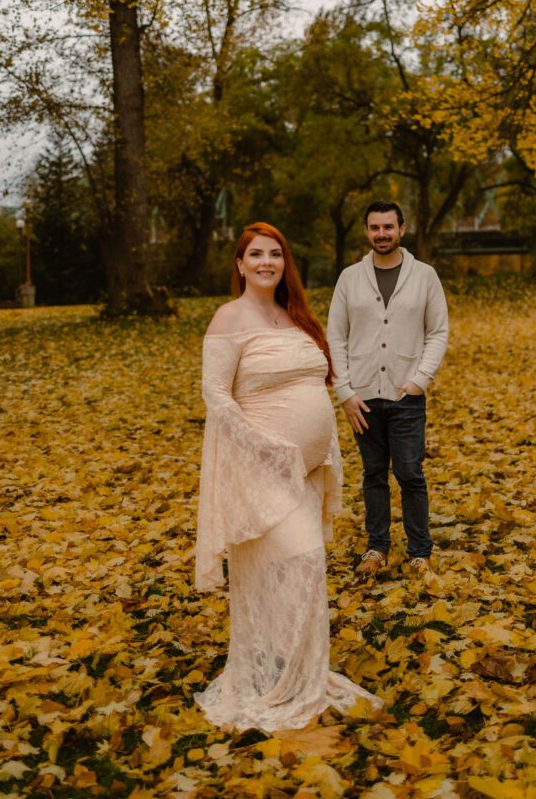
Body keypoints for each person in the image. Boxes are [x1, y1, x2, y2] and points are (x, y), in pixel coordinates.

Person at [194, 221, 382, 732]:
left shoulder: (293, 316)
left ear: (285, 262)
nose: (266, 263)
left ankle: (295, 671)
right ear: (239, 263)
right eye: (255, 254)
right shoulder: (227, 319)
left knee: (301, 569)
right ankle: (273, 678)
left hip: (306, 472)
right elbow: (216, 395)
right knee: (298, 562)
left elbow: (317, 384)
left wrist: (322, 448)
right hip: (260, 469)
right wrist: (269, 449)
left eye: (275, 254)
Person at [327, 201, 448, 578]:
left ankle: (419, 552)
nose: (382, 234)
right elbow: (335, 337)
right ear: (367, 231)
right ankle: (377, 548)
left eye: (388, 227)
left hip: (405, 395)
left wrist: (419, 380)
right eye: (375, 228)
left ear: (402, 229)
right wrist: (345, 392)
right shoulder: (349, 278)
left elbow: (438, 332)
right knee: (373, 474)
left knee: (410, 474)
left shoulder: (424, 275)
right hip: (363, 398)